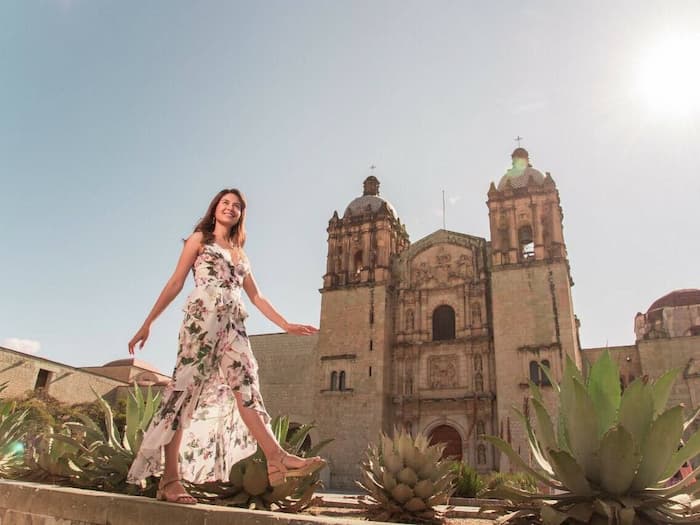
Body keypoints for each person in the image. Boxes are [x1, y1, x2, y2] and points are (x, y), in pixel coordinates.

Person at [126, 188, 324, 504]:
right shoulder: (198, 240)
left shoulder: (240, 253)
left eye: (237, 206)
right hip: (202, 320)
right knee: (185, 391)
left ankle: (276, 455)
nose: (230, 208)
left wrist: (285, 324)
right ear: (215, 208)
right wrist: (147, 322)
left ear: (241, 214)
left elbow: (257, 296)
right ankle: (170, 479)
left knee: (246, 386)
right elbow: (176, 282)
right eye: (225, 203)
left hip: (234, 324)